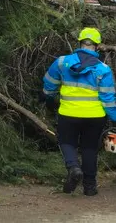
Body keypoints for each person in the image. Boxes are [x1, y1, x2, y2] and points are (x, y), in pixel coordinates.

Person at [43, 27, 116, 196]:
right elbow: (109, 99)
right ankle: (90, 187)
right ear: (97, 46)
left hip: (68, 114)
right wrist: (114, 117)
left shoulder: (62, 62)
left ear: (80, 43)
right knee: (90, 149)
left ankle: (74, 168)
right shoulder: (103, 69)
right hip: (95, 116)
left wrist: (48, 97)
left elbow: (49, 83)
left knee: (66, 142)